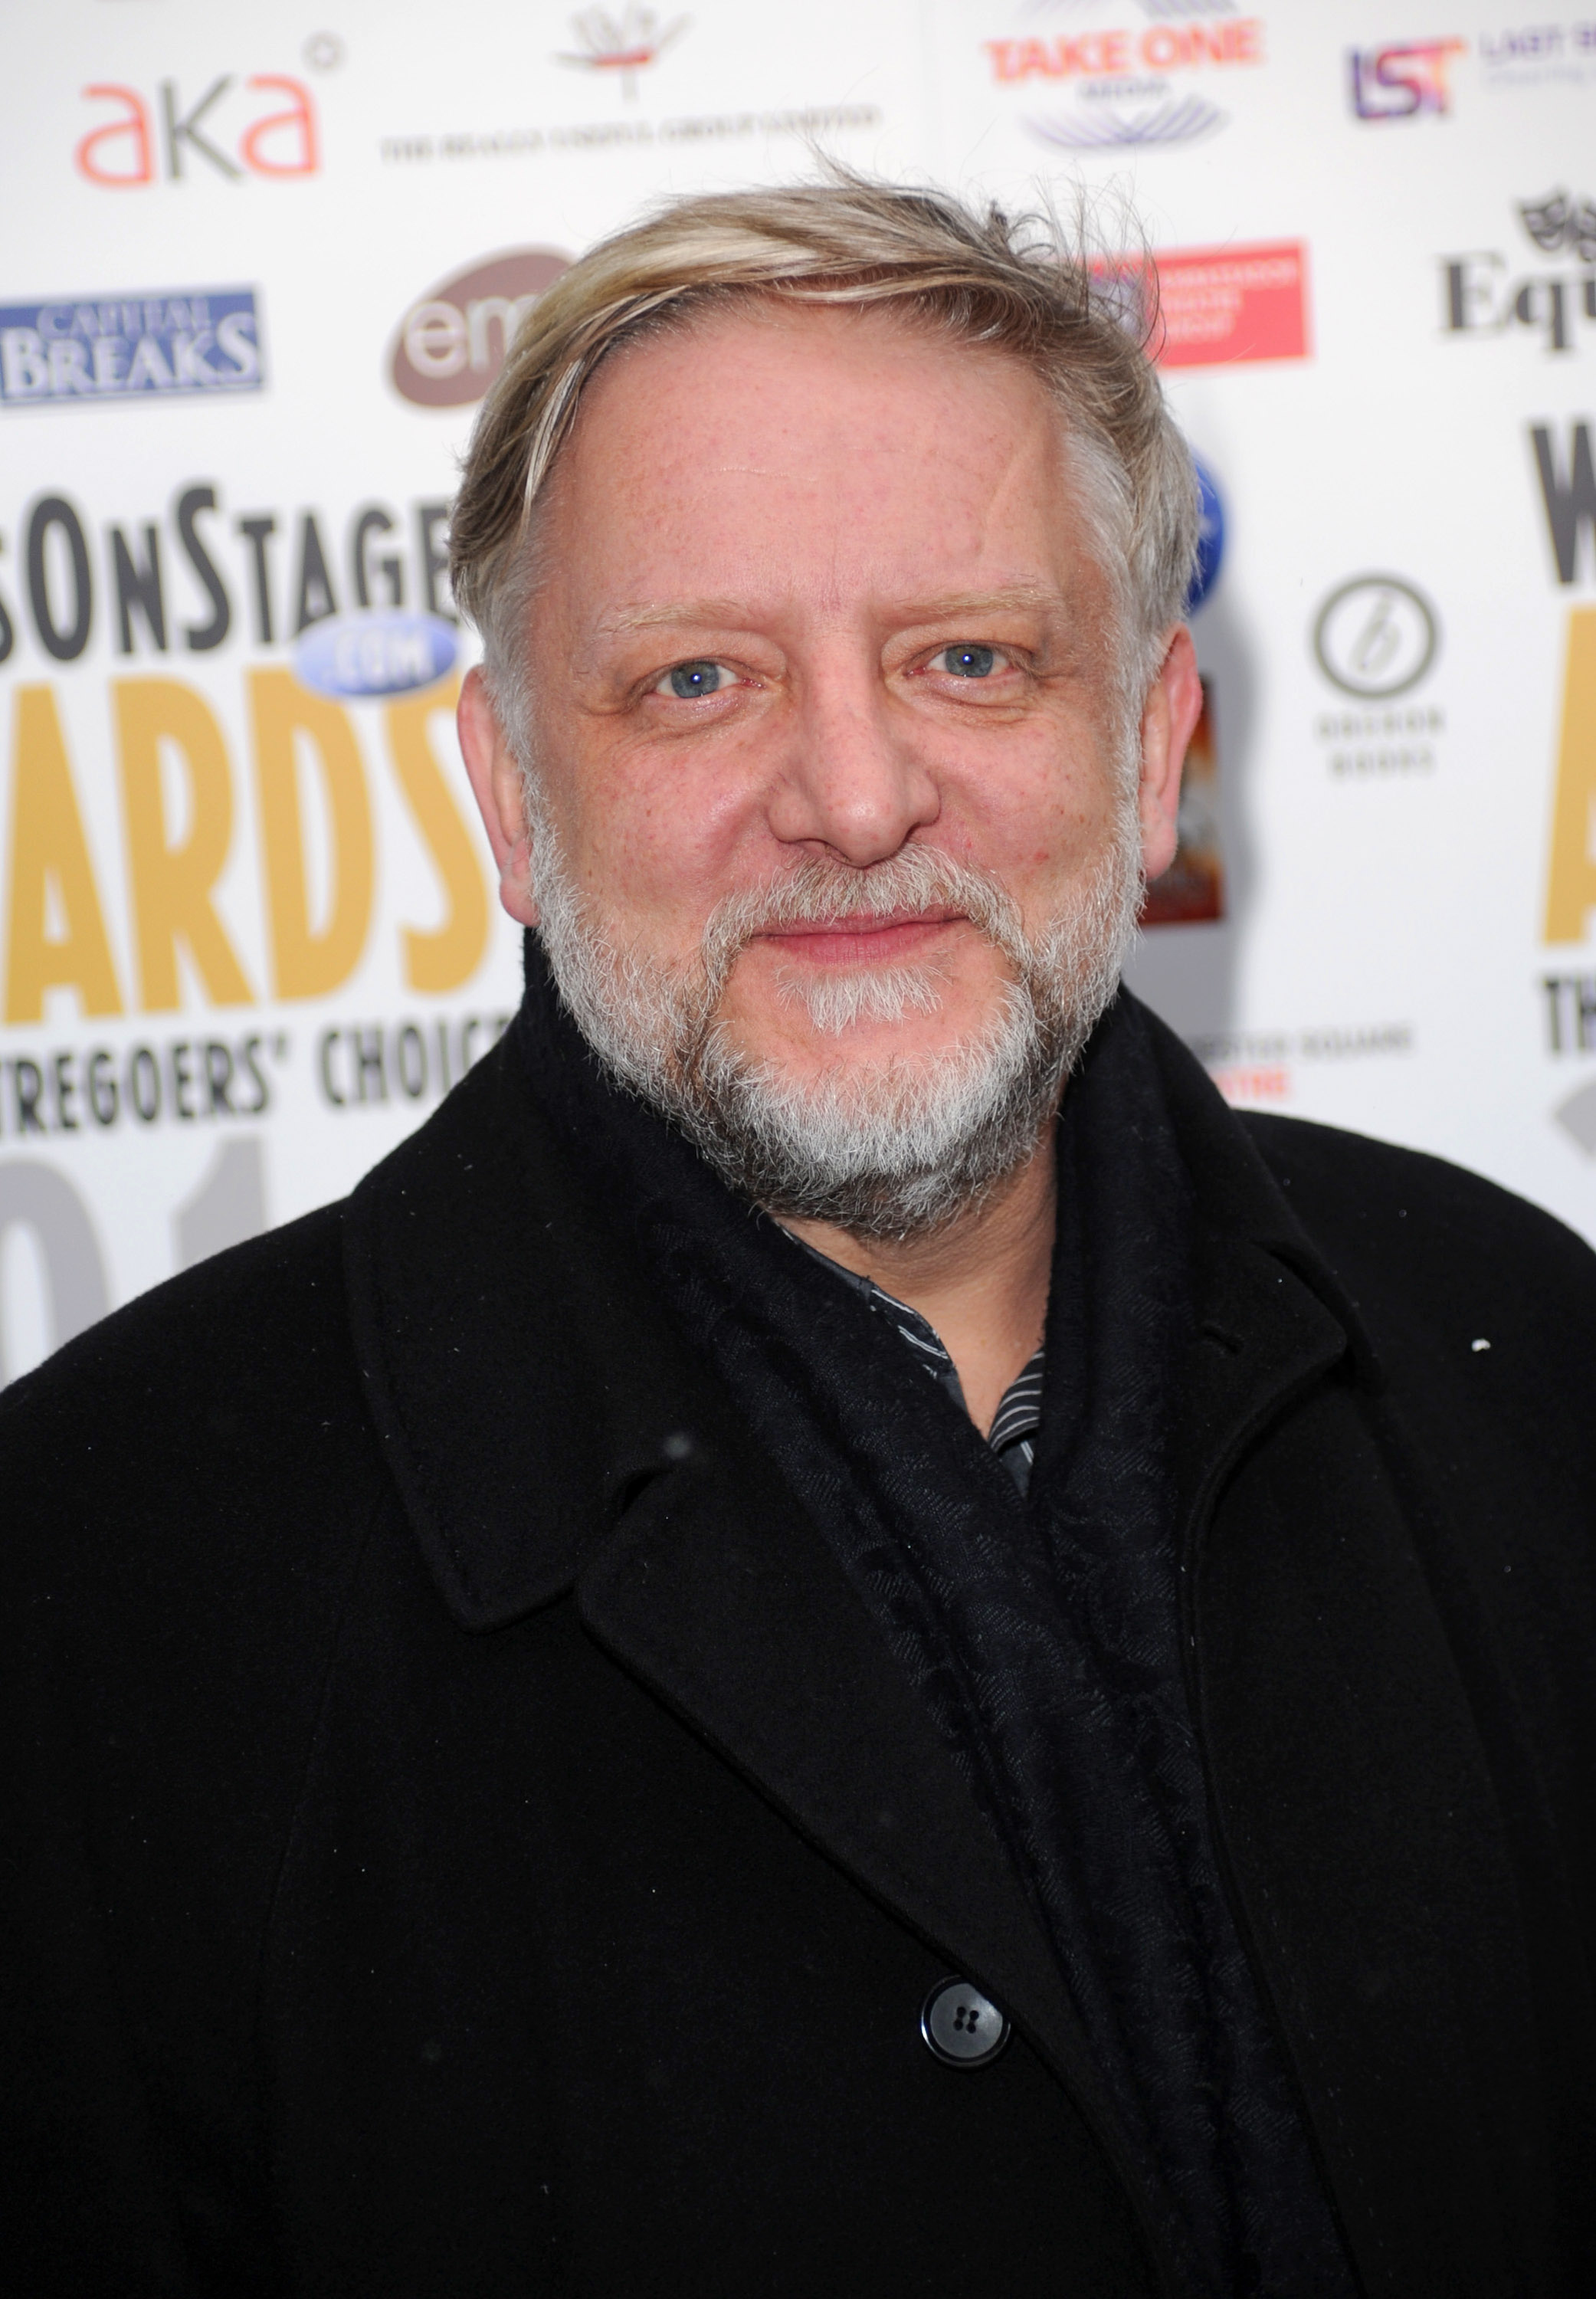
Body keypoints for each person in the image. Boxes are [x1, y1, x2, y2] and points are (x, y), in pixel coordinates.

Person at [4, 175, 1593, 2298]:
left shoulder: (1528, 1362)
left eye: (966, 658)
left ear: (1146, 757)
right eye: (692, 682)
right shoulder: (97, 1582)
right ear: (504, 797)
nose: (852, 797)